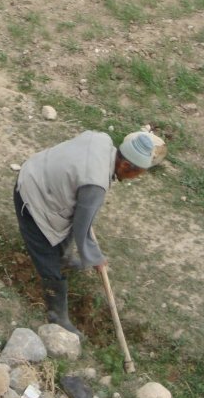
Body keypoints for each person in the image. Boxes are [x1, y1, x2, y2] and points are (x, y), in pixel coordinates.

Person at [14, 129, 160, 338]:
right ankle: (58, 314)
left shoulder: (101, 139)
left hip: (41, 172)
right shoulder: (95, 184)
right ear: (125, 165)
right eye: (135, 174)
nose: (133, 179)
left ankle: (64, 258)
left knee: (64, 231)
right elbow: (82, 226)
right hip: (32, 196)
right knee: (46, 256)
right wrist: (95, 258)